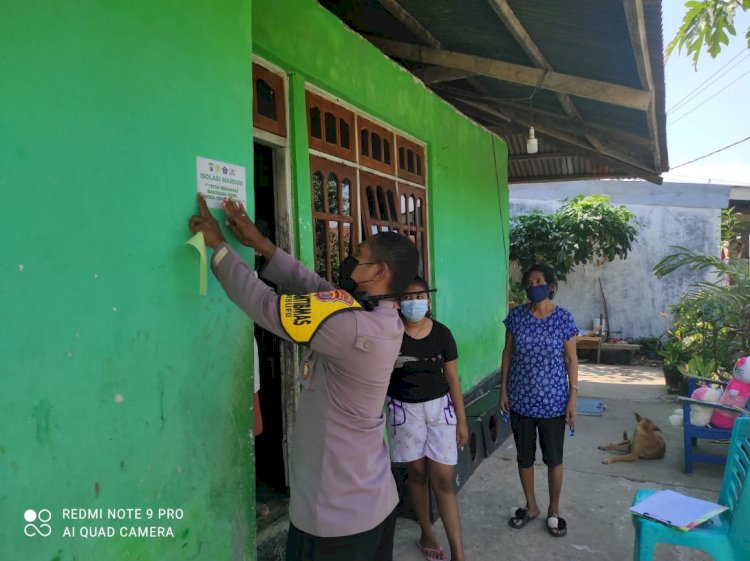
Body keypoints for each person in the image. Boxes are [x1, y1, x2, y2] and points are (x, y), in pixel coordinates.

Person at [189, 195, 419, 561]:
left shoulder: (353, 329)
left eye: (358, 256)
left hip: (335, 520)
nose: (351, 261)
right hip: (373, 502)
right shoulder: (379, 318)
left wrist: (219, 247)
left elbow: (266, 306)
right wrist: (262, 246)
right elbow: (317, 287)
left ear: (379, 272)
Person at [386, 277, 468, 561]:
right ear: (398, 303)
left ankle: (459, 553)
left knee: (443, 479)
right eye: (408, 297)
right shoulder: (390, 333)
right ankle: (427, 533)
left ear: (428, 300)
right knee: (417, 474)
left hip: (440, 410)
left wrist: (462, 420)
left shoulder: (442, 334)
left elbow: (453, 379)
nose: (414, 302)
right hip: (403, 411)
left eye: (419, 296)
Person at [499, 264, 578, 538]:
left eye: (539, 281)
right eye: (529, 282)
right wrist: (503, 390)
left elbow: (571, 359)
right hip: (520, 400)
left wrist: (573, 398)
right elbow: (507, 354)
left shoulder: (564, 319)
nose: (534, 286)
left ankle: (553, 511)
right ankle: (531, 506)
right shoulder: (516, 317)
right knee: (524, 457)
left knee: (554, 458)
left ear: (551, 286)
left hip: (554, 402)